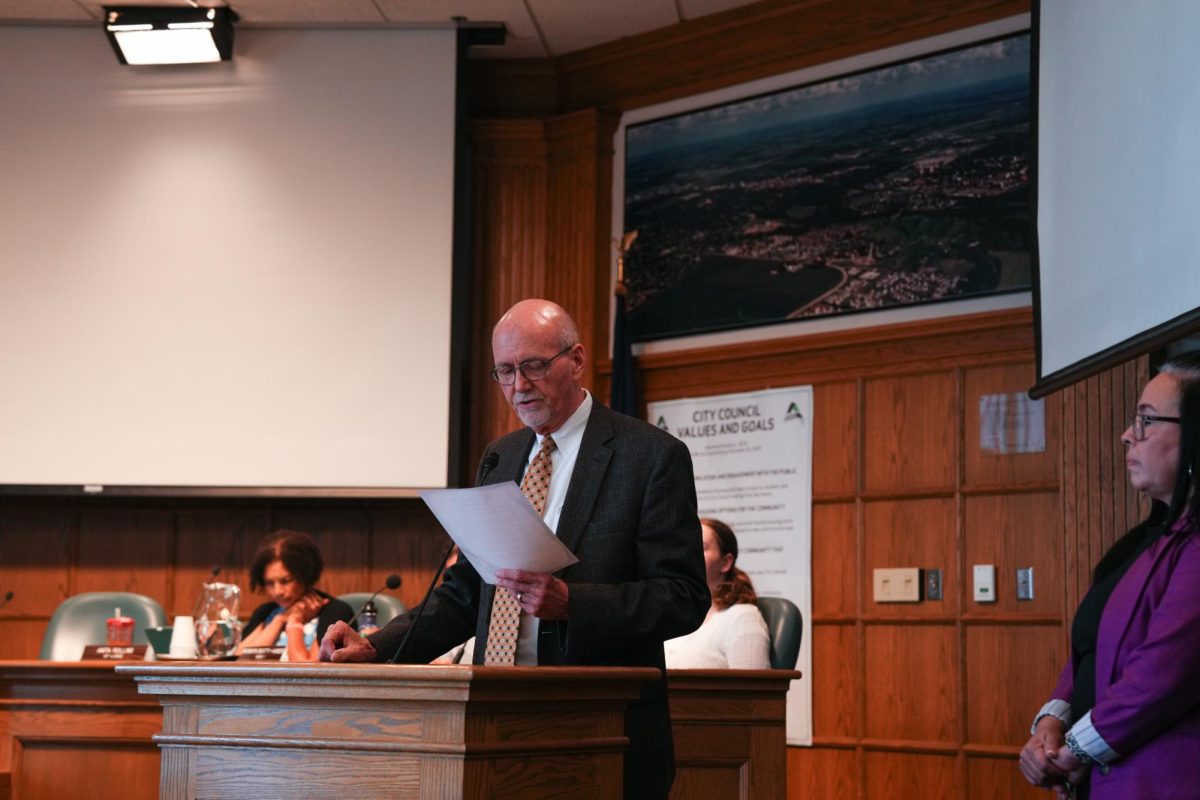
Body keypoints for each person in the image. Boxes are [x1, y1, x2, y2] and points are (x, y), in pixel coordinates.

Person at [321, 298, 708, 798]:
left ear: (577, 359)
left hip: (599, 726)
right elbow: (465, 595)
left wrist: (573, 604)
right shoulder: (501, 456)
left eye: (534, 366)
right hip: (493, 718)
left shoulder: (650, 456)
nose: (519, 386)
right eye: (505, 371)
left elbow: (682, 596)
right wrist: (377, 648)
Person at [1019, 351, 1200, 799]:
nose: (1127, 435)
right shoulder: (1143, 541)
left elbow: (1162, 675)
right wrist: (1051, 724)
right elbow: (1089, 651)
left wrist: (1074, 752)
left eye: (1145, 421)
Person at [664, 518, 770, 669]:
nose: (687, 556)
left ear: (726, 563)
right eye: (685, 547)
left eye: (701, 547)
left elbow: (753, 691)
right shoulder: (674, 614)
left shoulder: (742, 617)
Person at [238, 529, 354, 662]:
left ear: (304, 574)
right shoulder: (266, 612)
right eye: (269, 583)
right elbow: (239, 659)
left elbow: (309, 669)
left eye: (286, 581)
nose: (278, 591)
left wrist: (295, 622)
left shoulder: (335, 611)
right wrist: (280, 620)